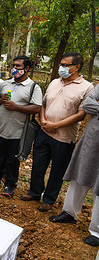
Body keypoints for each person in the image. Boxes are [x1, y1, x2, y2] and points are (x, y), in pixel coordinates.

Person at [20, 52, 94, 212]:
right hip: (44, 131)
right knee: (38, 165)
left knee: (57, 170)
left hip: (64, 137)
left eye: (65, 65)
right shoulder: (54, 82)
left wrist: (57, 125)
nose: (62, 67)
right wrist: (43, 119)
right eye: (61, 64)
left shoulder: (87, 87)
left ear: (76, 67)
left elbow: (81, 114)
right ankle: (34, 192)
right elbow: (44, 103)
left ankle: (49, 199)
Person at [0, 56, 43, 197]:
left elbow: (37, 108)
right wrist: (0, 100)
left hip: (17, 132)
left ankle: (10, 185)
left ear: (26, 69)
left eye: (18, 67)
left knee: (12, 160)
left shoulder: (33, 87)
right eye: (13, 66)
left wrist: (16, 107)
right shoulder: (5, 84)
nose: (14, 69)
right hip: (0, 128)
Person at [49, 85, 98, 246]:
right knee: (80, 173)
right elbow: (88, 105)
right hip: (92, 139)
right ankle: (69, 213)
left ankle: (96, 231)